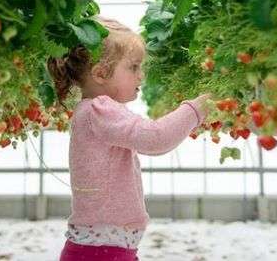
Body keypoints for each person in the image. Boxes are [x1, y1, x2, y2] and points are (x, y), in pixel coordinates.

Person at [48, 17, 213, 261]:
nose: (141, 76)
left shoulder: (90, 110)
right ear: (101, 73)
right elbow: (156, 138)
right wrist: (196, 108)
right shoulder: (100, 109)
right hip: (101, 252)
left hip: (101, 248)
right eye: (133, 67)